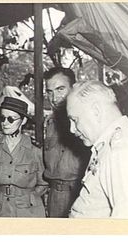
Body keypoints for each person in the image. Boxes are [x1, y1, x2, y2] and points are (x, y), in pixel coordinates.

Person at [67, 80, 128, 218]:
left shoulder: (122, 150)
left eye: (74, 120)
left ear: (96, 111)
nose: (72, 129)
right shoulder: (109, 144)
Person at [0, 96, 48, 217]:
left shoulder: (35, 150)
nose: (5, 123)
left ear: (23, 121)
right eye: (2, 118)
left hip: (26, 210)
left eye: (11, 119)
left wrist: (29, 198)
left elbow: (43, 184)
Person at [42, 67, 90, 217]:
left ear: (73, 88)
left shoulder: (87, 121)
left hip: (80, 194)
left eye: (60, 89)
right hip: (55, 197)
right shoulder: (49, 124)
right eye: (50, 91)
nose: (54, 97)